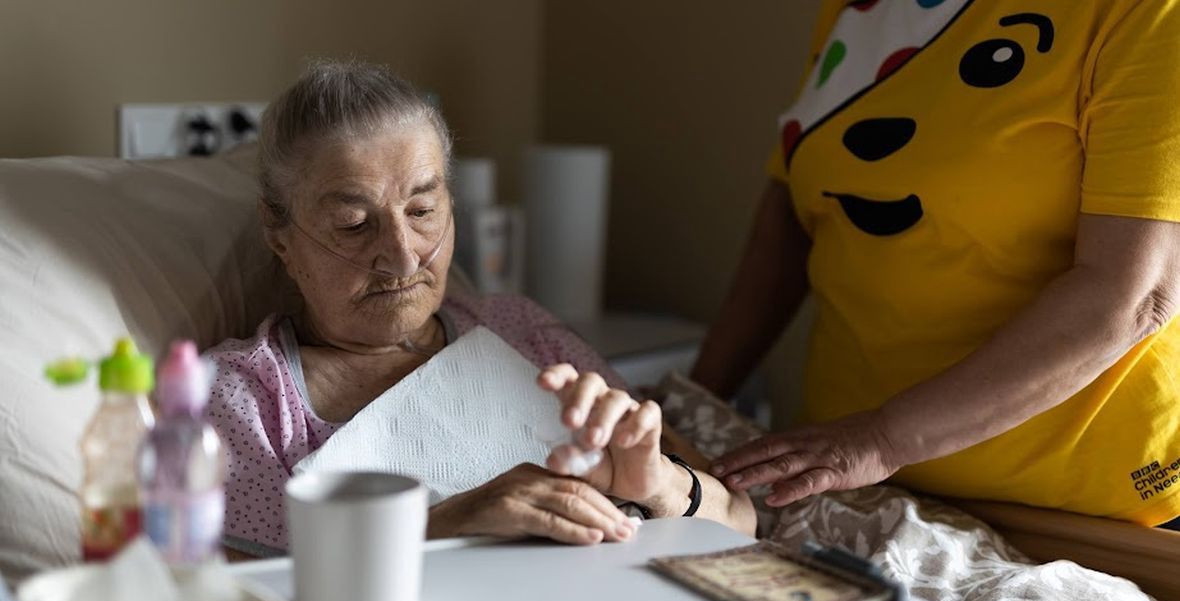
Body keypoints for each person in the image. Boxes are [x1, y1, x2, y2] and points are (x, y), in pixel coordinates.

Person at [206, 60, 755, 556]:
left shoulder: (521, 331)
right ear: (280, 237)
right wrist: (449, 520)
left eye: (422, 210)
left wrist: (656, 482)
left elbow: (741, 519)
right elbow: (247, 596)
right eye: (353, 225)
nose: (402, 257)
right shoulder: (246, 397)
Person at [692, 0, 1180, 527]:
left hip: (1080, 508)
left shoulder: (1145, 12)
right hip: (854, 487)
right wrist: (697, 400)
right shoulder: (858, 8)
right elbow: (794, 212)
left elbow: (1134, 297)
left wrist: (882, 438)